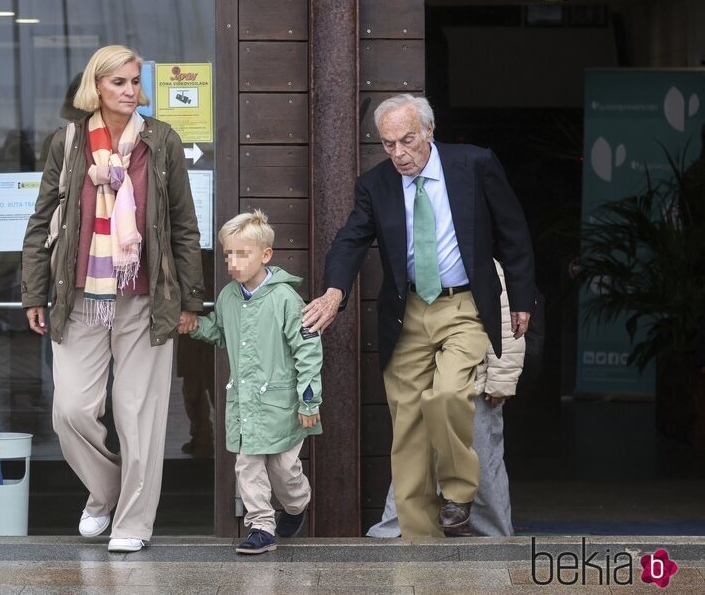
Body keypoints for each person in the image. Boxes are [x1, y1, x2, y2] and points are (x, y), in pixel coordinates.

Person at [302, 94, 535, 538]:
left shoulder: (475, 165)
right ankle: (418, 552)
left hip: (465, 304)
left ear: (429, 130)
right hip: (406, 311)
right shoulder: (375, 184)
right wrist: (334, 293)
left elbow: (513, 230)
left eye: (407, 140)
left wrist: (522, 298)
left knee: (448, 395)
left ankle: (460, 489)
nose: (399, 154)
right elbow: (350, 240)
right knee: (407, 426)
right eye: (388, 144)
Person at [20, 45, 205, 553]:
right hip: (80, 294)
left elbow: (183, 226)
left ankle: (132, 523)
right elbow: (42, 222)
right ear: (96, 87)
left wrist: (190, 299)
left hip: (146, 297)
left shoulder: (161, 141)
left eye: (135, 82)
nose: (131, 92)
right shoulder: (69, 142)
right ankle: (105, 491)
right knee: (71, 411)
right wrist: (34, 289)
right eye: (120, 82)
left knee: (138, 415)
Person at [189, 211, 323, 554]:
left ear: (265, 254)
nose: (233, 263)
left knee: (284, 472)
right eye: (227, 254)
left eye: (242, 253)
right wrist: (192, 326)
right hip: (244, 404)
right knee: (247, 465)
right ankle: (261, 527)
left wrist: (309, 401)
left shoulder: (285, 300)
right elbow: (220, 332)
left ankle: (297, 504)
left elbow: (308, 350)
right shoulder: (228, 297)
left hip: (282, 407)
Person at [368, 260, 525, 538]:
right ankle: (394, 529)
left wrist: (502, 381)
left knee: (484, 463)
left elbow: (508, 323)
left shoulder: (487, 266)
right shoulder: (414, 265)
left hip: (477, 385)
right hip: (427, 383)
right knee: (414, 457)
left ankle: (495, 534)